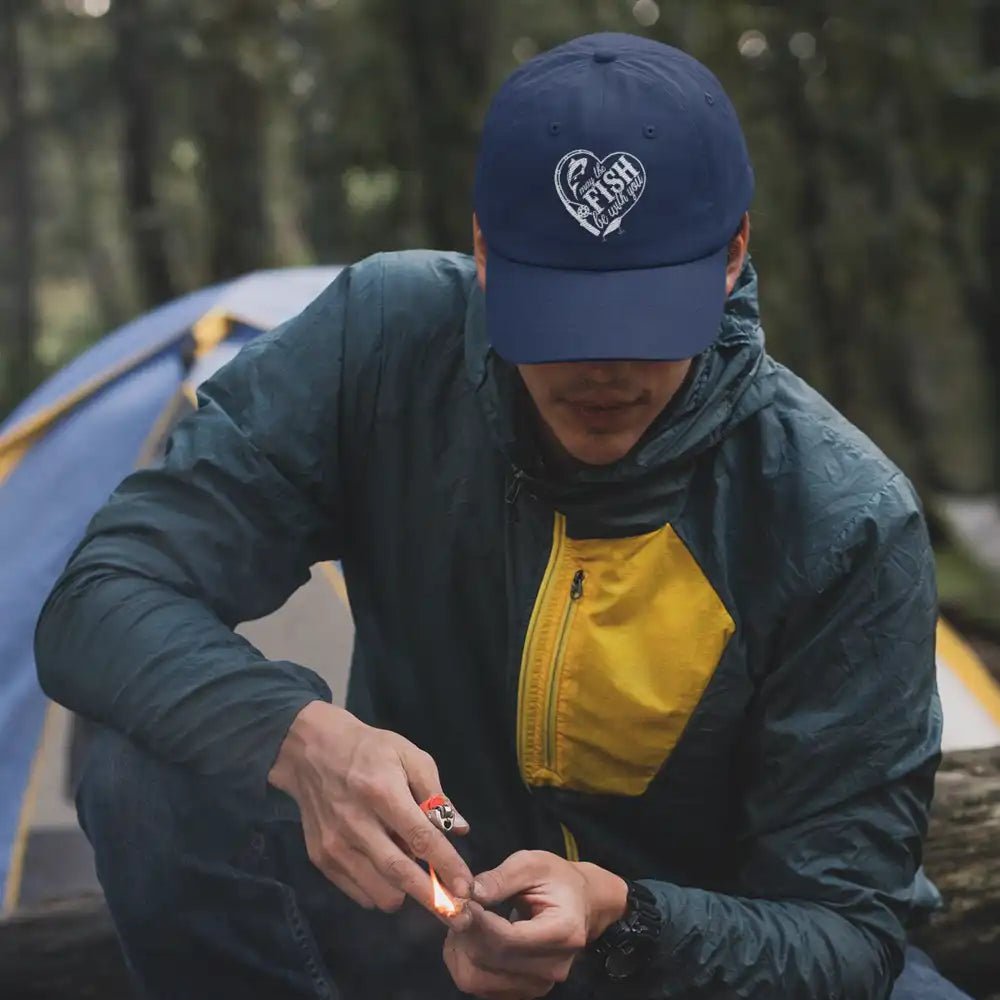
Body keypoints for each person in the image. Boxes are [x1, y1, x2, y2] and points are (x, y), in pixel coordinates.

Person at [35, 32, 968, 1000]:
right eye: (561, 320)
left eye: (646, 319)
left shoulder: (838, 514)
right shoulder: (385, 344)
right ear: (483, 248)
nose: (603, 370)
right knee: (151, 748)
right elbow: (99, 597)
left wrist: (622, 918)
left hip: (676, 960)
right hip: (422, 927)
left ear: (733, 251)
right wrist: (299, 735)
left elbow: (846, 930)